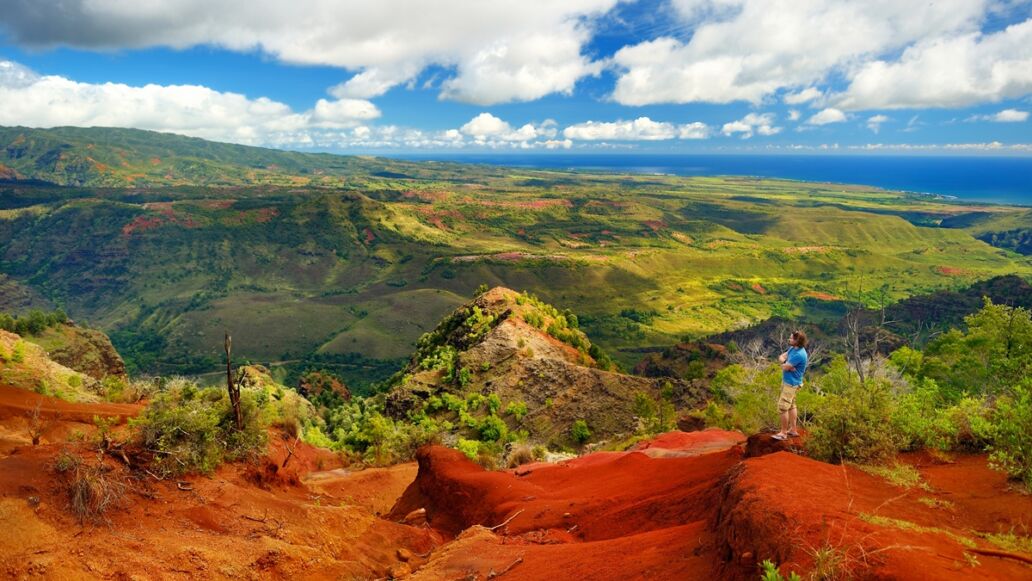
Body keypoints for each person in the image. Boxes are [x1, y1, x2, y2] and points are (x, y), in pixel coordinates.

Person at [773, 331, 808, 441]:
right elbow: (781, 357)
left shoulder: (799, 354)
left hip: (791, 384)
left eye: (791, 338)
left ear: (797, 341)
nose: (789, 339)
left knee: (783, 407)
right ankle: (793, 430)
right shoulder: (793, 349)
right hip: (789, 381)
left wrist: (786, 365)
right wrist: (786, 363)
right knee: (792, 405)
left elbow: (784, 367)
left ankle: (783, 433)